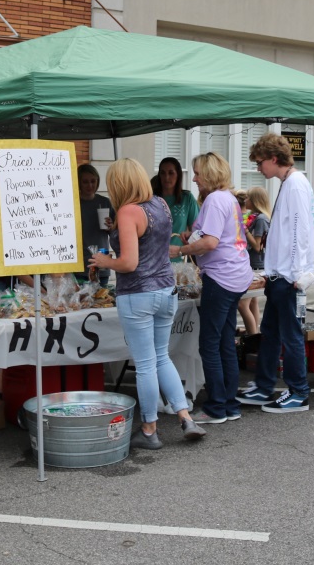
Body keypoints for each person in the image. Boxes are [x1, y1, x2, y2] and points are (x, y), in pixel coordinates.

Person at [90, 159, 206, 447]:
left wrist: (105, 261)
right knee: (161, 356)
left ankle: (149, 429)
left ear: (119, 184)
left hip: (138, 293)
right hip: (166, 289)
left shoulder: (128, 211)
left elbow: (129, 263)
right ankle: (185, 417)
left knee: (144, 365)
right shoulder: (160, 204)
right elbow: (151, 243)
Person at [170, 153, 252, 424]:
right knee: (225, 341)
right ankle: (230, 404)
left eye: (197, 173)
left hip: (221, 277)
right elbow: (210, 236)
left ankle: (216, 407)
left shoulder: (215, 200)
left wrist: (180, 249)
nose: (194, 178)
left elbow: (210, 243)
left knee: (209, 344)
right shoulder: (227, 197)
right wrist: (192, 238)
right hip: (236, 275)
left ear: (209, 173)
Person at [238, 134, 314, 413]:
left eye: (260, 162)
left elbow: (299, 232)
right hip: (279, 274)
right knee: (271, 332)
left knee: (289, 335)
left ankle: (298, 392)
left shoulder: (294, 184)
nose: (258, 168)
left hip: (287, 276)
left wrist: (295, 273)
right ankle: (264, 386)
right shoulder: (290, 183)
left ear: (274, 158)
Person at [151, 157, 199, 263]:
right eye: (163, 173)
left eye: (171, 173)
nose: (166, 177)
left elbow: (197, 231)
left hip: (178, 261)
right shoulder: (151, 199)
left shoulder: (187, 198)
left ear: (178, 175)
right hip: (153, 259)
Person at [238, 186, 272, 336]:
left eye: (248, 198)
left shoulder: (261, 219)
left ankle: (252, 337)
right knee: (252, 301)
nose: (245, 200)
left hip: (256, 266)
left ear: (255, 200)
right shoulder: (255, 217)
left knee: (242, 303)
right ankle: (254, 333)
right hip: (252, 264)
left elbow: (258, 247)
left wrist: (244, 230)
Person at [77, 163, 114, 287]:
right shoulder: (74, 204)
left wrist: (111, 226)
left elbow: (116, 233)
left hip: (101, 263)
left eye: (93, 181)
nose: (90, 185)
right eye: (85, 182)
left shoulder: (105, 202)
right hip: (79, 265)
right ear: (79, 182)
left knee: (102, 296)